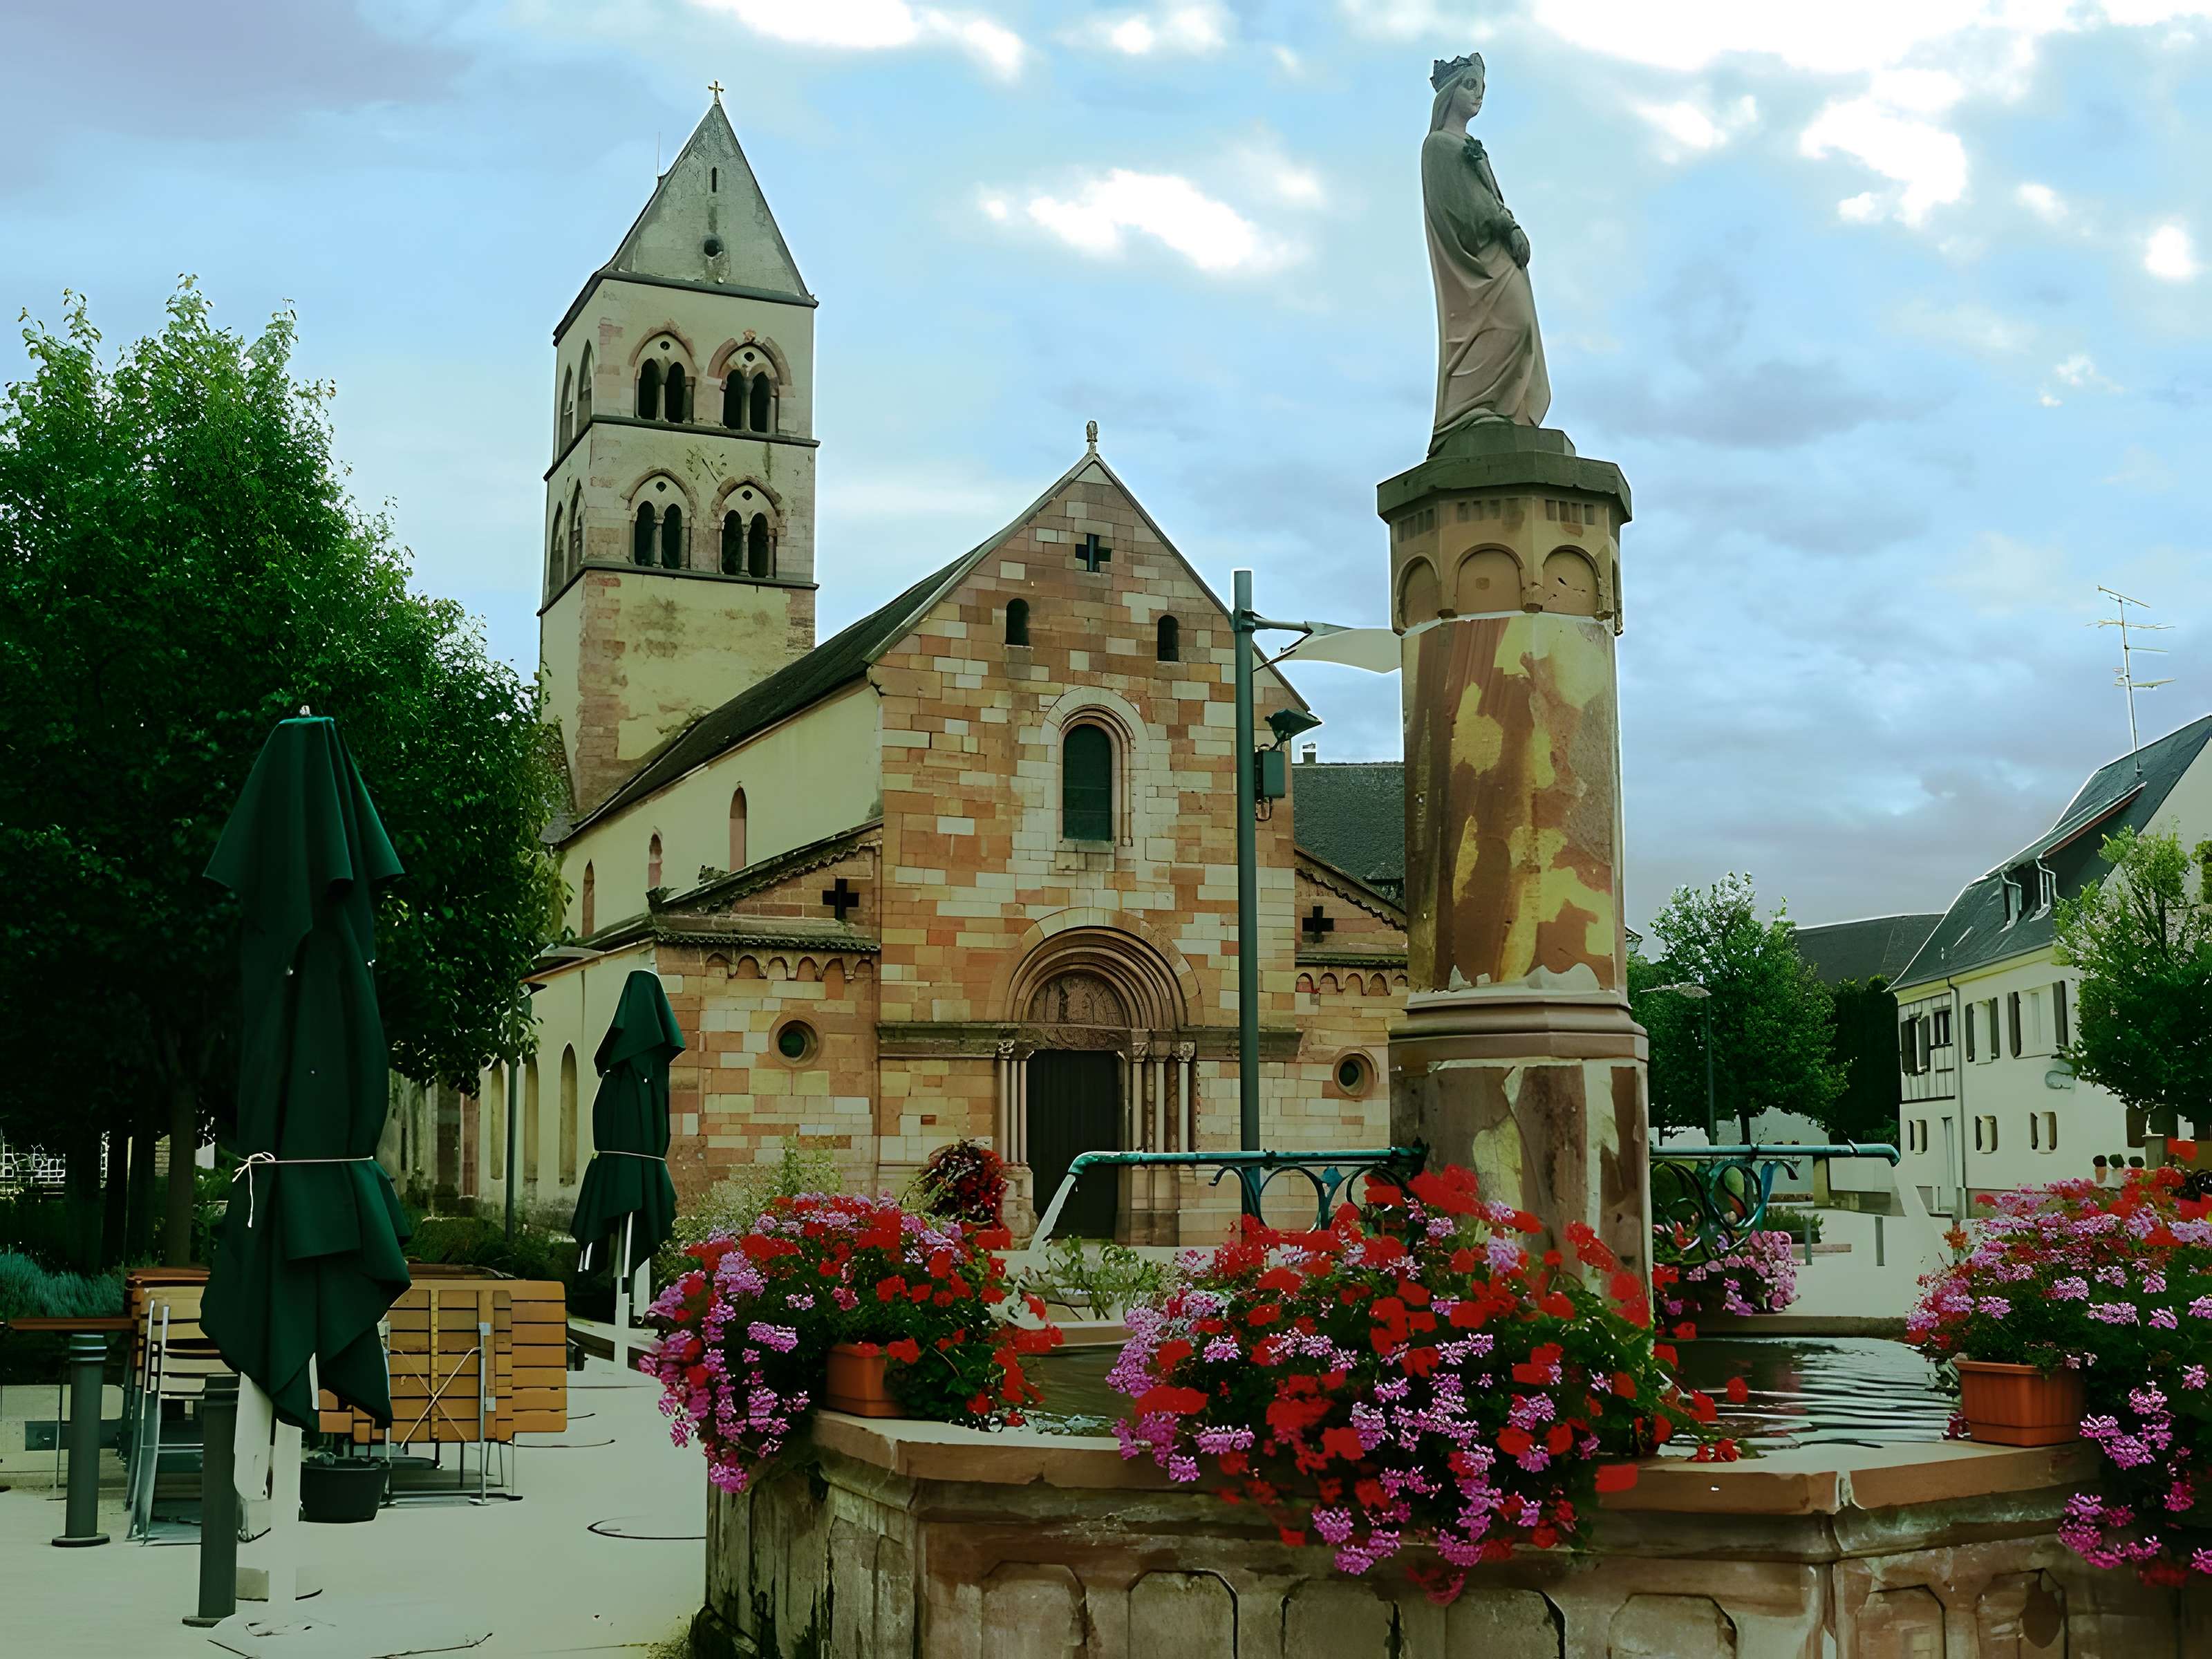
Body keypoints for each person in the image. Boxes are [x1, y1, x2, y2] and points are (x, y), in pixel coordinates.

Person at [1423, 53, 1551, 446]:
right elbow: (1462, 205)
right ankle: (1471, 410)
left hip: (1500, 254)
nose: (1478, 96)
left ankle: (1504, 410)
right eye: (1470, 85)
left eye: (1482, 88)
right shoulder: (1439, 147)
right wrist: (1505, 225)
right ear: (1449, 92)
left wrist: (1507, 223)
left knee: (1522, 326)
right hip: (1477, 257)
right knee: (1512, 323)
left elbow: (1489, 196)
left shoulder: (1472, 145)